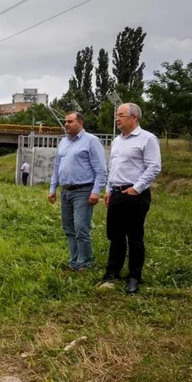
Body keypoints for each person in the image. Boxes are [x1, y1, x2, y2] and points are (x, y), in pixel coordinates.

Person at [102, 103, 161, 294]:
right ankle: (112, 273)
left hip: (135, 194)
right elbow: (114, 167)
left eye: (121, 115)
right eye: (116, 116)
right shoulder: (117, 140)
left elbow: (154, 167)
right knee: (115, 235)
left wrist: (137, 188)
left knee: (135, 236)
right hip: (117, 193)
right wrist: (109, 189)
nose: (117, 119)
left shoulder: (147, 139)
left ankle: (134, 277)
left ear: (134, 117)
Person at [48, 112, 107, 271]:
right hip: (66, 191)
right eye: (65, 121)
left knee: (81, 227)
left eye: (70, 121)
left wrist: (96, 191)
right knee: (69, 228)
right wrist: (53, 188)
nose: (66, 124)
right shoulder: (63, 142)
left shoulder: (91, 141)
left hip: (83, 191)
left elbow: (101, 170)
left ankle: (85, 263)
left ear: (80, 123)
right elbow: (57, 167)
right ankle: (74, 262)